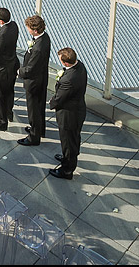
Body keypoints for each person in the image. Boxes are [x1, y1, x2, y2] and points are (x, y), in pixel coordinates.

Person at [49, 47, 88, 180]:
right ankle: (68, 158)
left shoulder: (68, 80)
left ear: (66, 63)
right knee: (73, 138)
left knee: (68, 141)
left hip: (69, 115)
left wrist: (51, 102)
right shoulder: (80, 66)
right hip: (78, 110)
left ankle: (67, 169)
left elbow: (59, 98)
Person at [18, 14, 51, 147]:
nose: (28, 30)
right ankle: (39, 129)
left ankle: (34, 136)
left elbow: (30, 69)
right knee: (40, 106)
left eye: (29, 28)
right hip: (42, 79)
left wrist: (19, 72)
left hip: (34, 82)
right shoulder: (45, 38)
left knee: (34, 109)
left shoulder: (37, 48)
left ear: (35, 30)